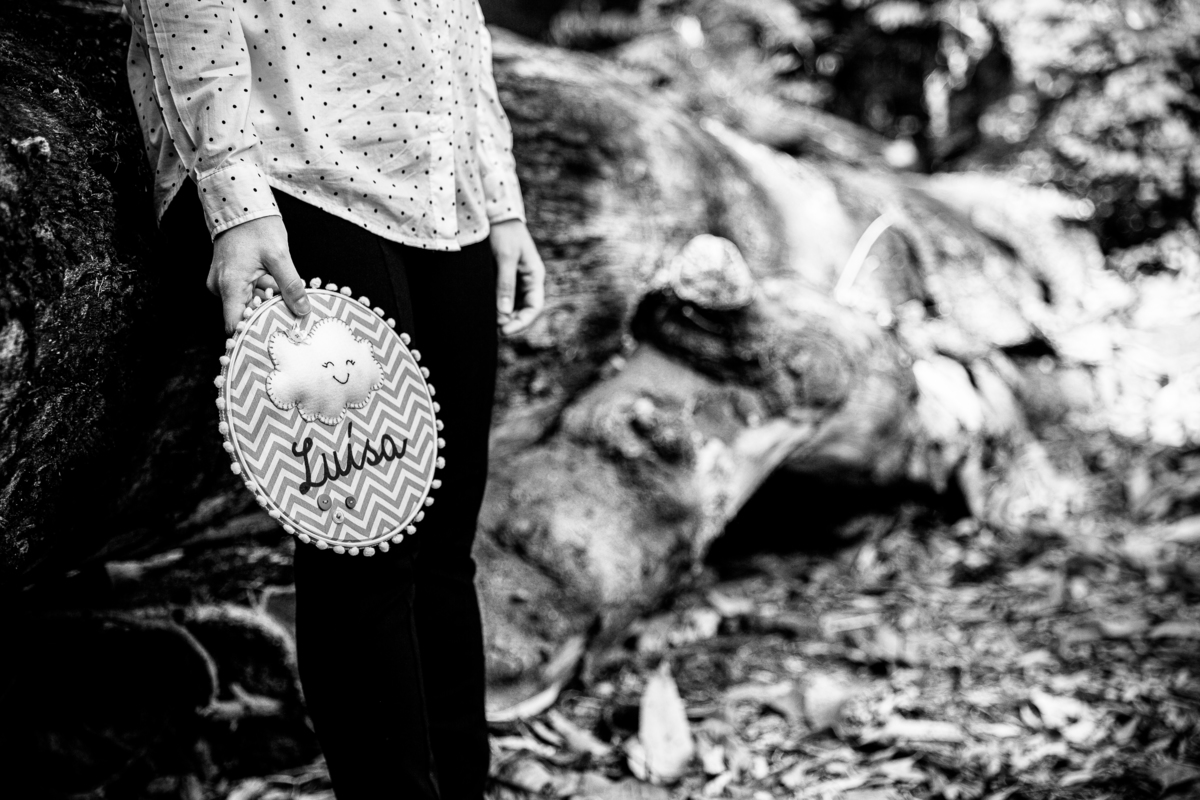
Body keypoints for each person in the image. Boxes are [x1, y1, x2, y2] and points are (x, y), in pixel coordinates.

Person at [121, 1, 545, 798]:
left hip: (441, 191)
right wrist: (234, 200)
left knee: (445, 540)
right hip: (289, 170)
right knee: (365, 541)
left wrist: (501, 198)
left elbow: (460, 21)